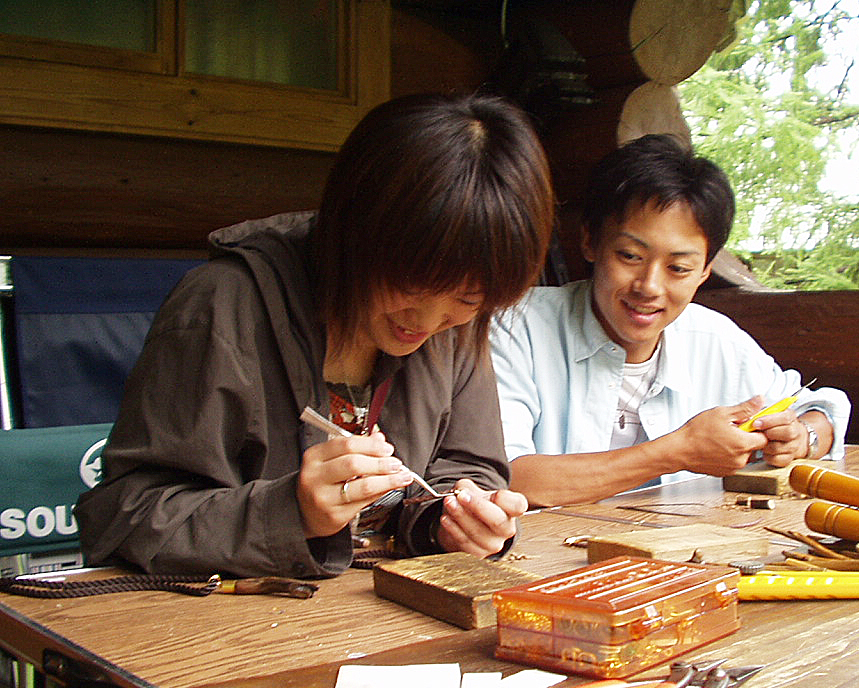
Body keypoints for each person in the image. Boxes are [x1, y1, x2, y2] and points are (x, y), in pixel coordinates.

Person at [74, 92, 555, 578]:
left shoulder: (459, 326)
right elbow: (124, 517)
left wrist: (454, 521)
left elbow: (470, 468)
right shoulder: (223, 307)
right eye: (411, 285)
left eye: (469, 299)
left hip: (377, 608)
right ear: (356, 231)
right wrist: (290, 513)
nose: (428, 322)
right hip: (232, 616)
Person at [489, 134, 850, 508]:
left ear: (705, 270)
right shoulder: (516, 327)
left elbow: (823, 411)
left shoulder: (715, 340)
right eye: (630, 256)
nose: (649, 287)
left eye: (678, 268)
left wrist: (801, 437)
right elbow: (508, 478)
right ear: (590, 241)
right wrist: (678, 451)